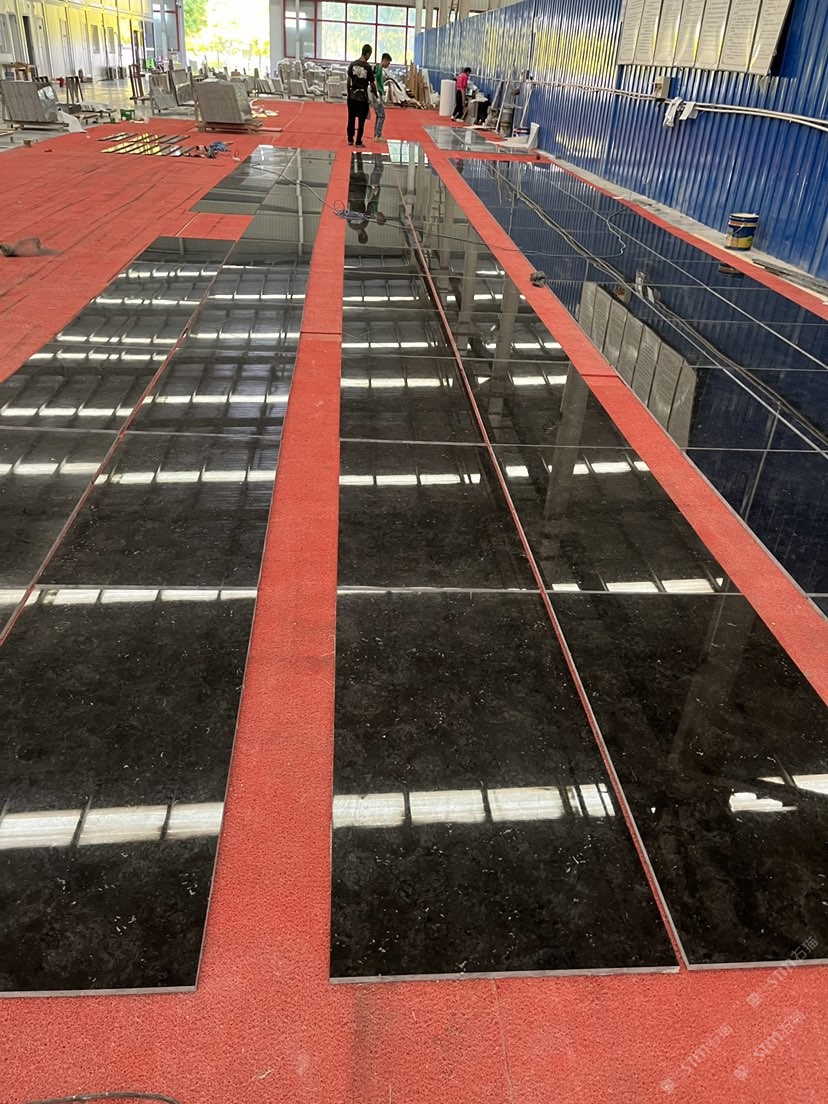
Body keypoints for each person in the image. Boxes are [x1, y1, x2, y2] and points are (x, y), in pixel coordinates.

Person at [347, 44, 377, 148]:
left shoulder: (352, 64)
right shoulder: (368, 67)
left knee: (351, 118)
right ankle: (358, 141)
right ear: (367, 54)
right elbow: (372, 84)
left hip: (352, 96)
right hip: (362, 97)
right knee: (361, 121)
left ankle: (350, 139)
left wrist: (349, 93)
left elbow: (348, 81)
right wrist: (376, 95)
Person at [371, 52, 392, 141]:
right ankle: (378, 135)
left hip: (377, 94)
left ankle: (376, 134)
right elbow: (375, 82)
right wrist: (377, 96)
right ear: (385, 60)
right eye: (388, 63)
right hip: (377, 94)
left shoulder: (377, 68)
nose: (388, 65)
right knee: (382, 115)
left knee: (379, 115)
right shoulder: (379, 69)